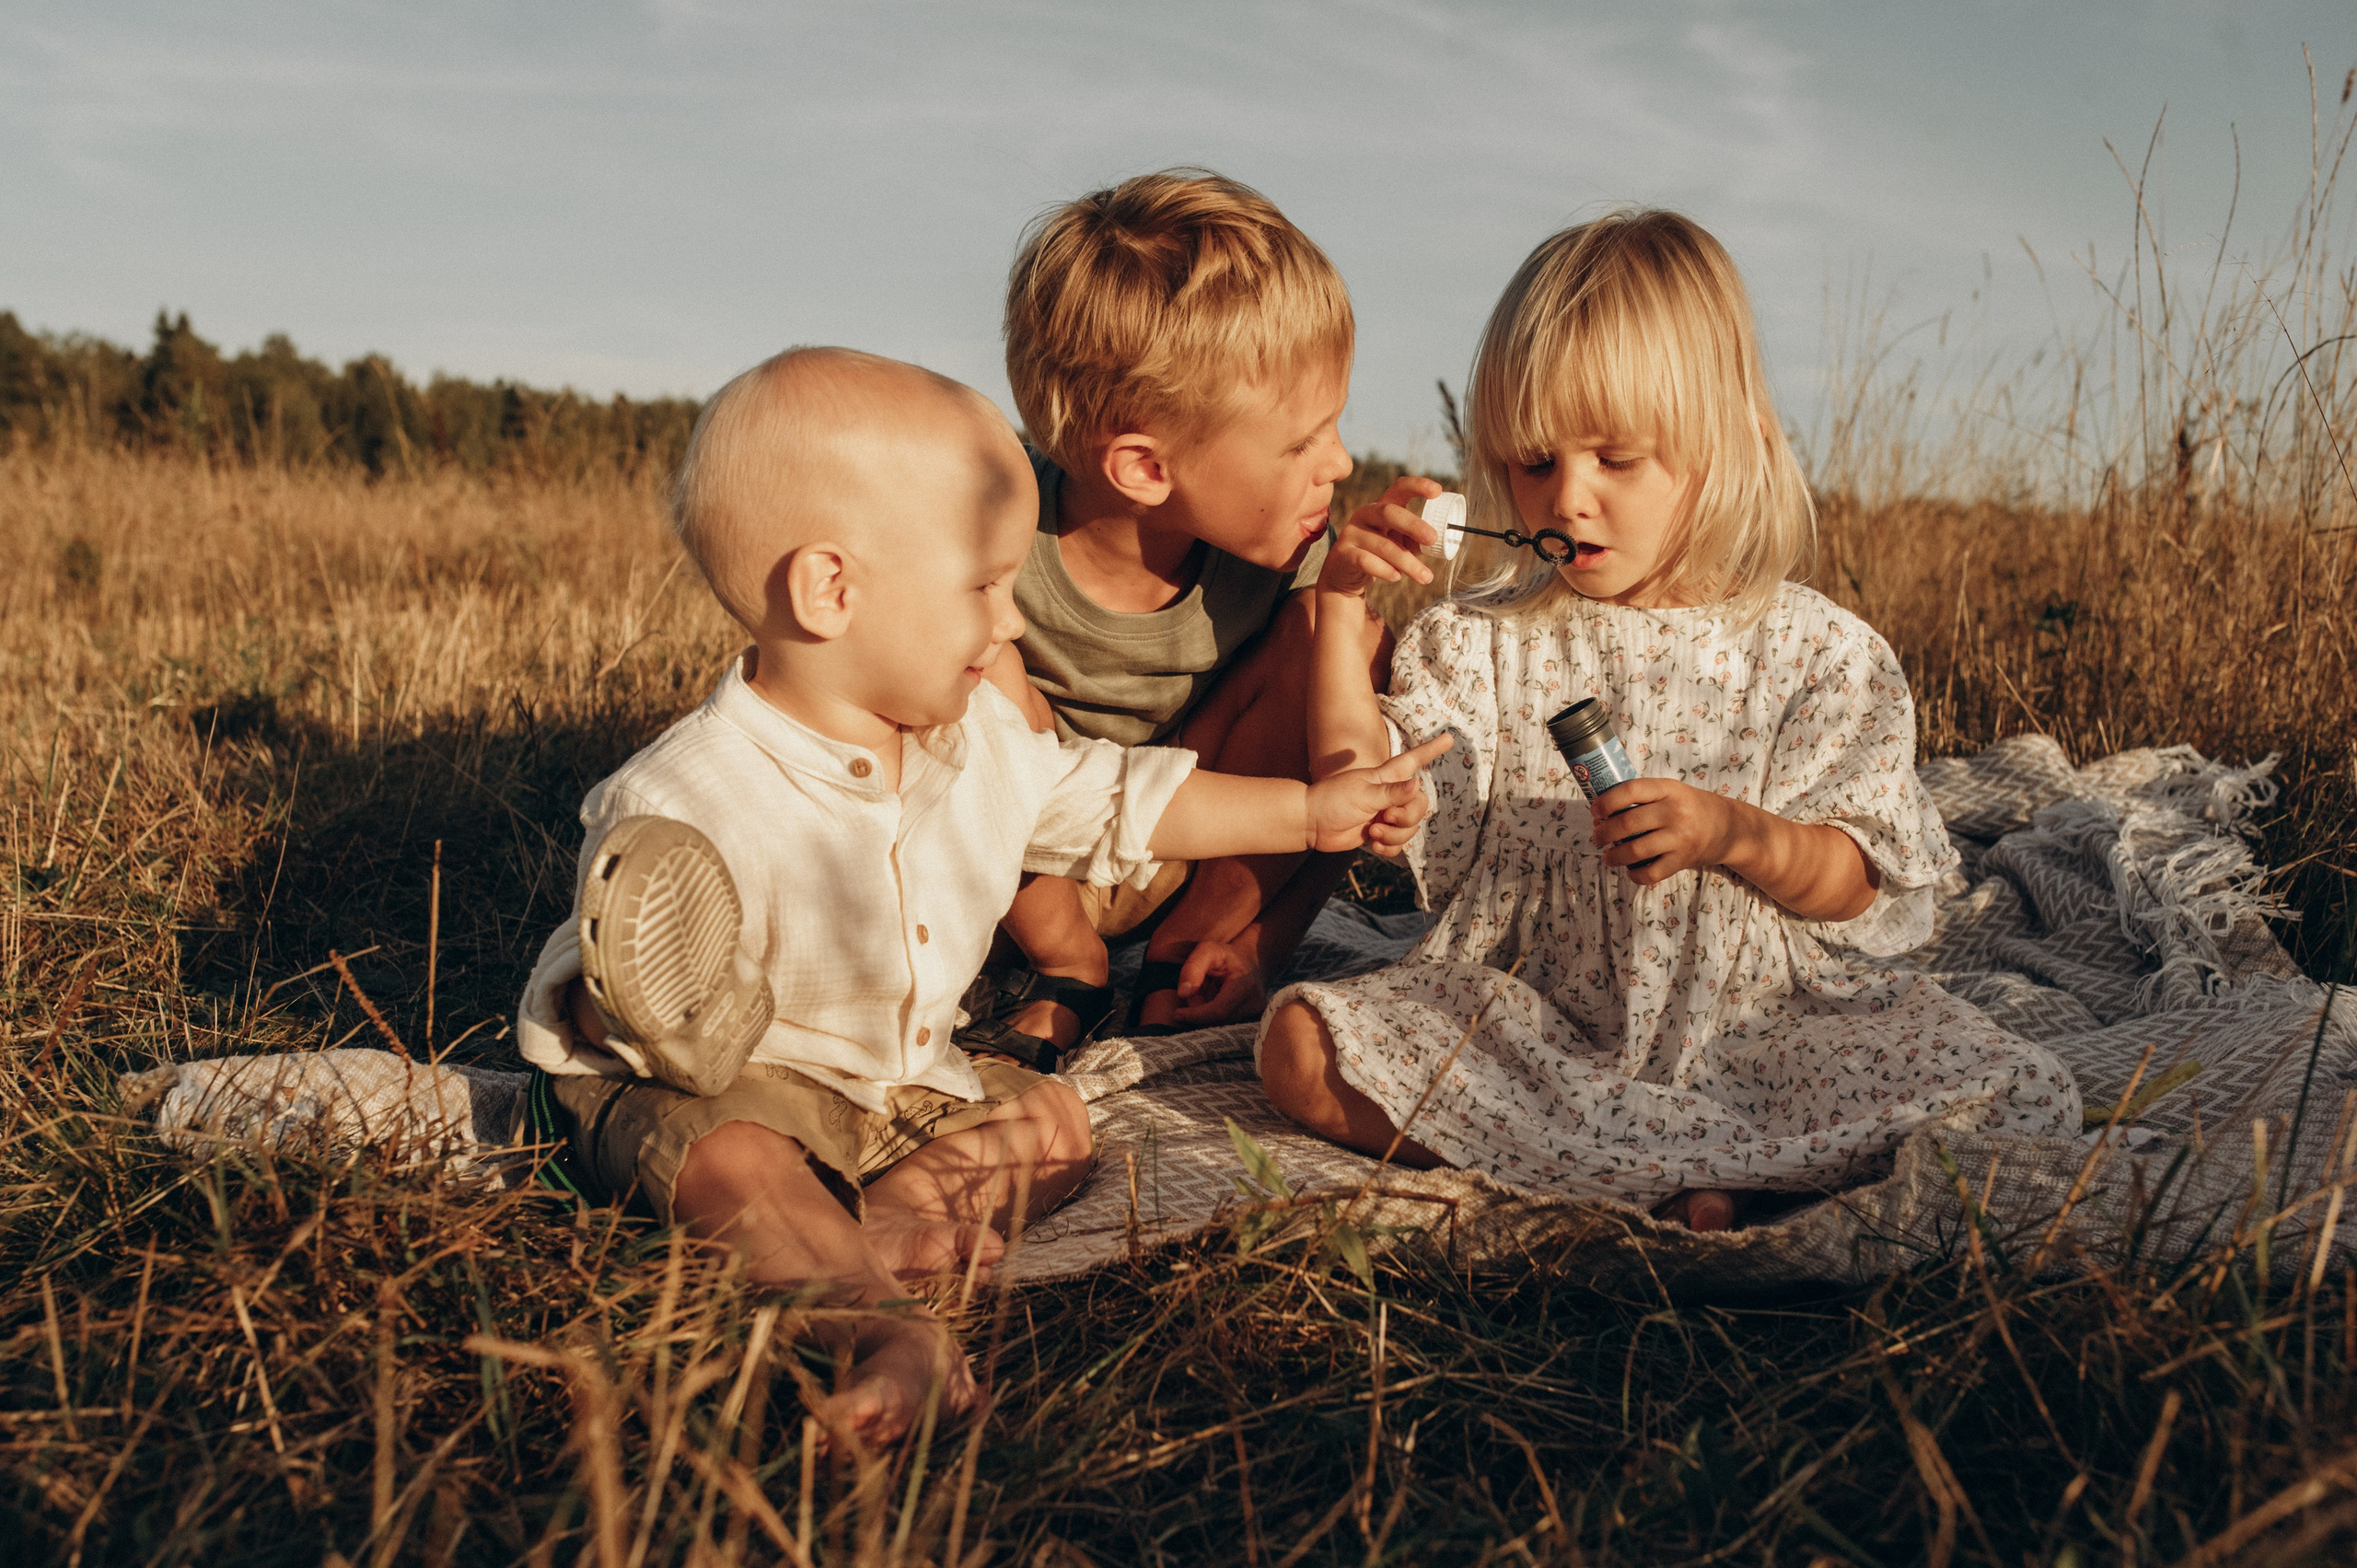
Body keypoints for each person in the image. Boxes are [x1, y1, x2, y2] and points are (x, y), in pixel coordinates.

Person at [513, 347, 1445, 1446]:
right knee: (728, 1156)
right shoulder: (689, 792)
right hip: (741, 1092)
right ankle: (883, 1326)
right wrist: (618, 1010)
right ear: (830, 591)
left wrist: (1310, 812)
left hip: (904, 1090)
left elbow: (1124, 799)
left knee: (1055, 1128)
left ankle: (869, 1223)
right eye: (981, 589)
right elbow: (612, 959)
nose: (1009, 626)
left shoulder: (973, 740)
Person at [1257, 210, 2080, 1231]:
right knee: (1299, 1047)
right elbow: (1371, 784)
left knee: (2016, 1087)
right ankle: (1710, 1175)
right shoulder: (1483, 640)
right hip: (1528, 1014)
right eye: (1535, 462)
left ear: (1718, 449)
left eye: (1615, 458)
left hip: (1758, 1020)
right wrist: (1341, 615)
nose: (1569, 498)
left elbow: (1853, 880)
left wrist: (1736, 833)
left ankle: (1630, 1164)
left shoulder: (1816, 651)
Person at [977, 168, 1398, 1054]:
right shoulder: (995, 531)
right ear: (1145, 468)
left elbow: (1338, 794)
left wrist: (1264, 945)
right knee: (969, 660)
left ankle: (1187, 961)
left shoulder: (1288, 553)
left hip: (1191, 839)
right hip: (1013, 865)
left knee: (1341, 639)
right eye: (1301, 442)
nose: (1339, 462)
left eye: (1333, 426)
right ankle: (1068, 968)